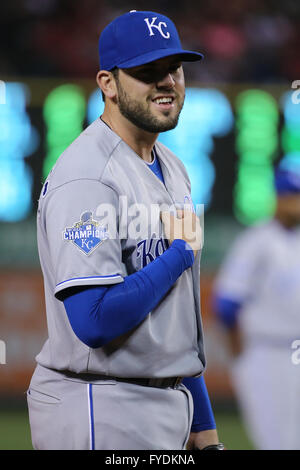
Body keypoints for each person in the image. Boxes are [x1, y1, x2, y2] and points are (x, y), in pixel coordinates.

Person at [27, 10, 224, 450]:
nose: (167, 81)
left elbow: (175, 325)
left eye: (173, 68)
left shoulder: (173, 169)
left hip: (163, 402)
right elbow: (94, 320)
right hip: (97, 405)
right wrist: (178, 255)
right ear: (108, 84)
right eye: (146, 71)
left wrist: (204, 429)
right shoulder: (88, 177)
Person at [213, 164, 300, 450]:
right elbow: (226, 305)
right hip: (265, 351)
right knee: (275, 440)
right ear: (277, 197)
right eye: (291, 195)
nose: (296, 202)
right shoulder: (257, 241)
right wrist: (241, 356)